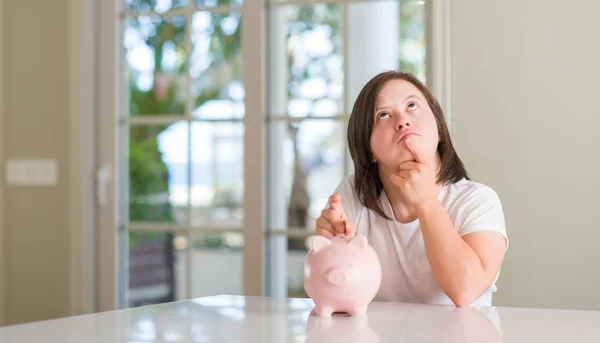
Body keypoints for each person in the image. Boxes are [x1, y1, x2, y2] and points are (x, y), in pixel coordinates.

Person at [315, 71, 509, 308]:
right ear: (369, 150)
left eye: (412, 105)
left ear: (439, 129)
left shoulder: (479, 201)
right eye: (383, 115)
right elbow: (326, 299)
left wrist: (426, 202)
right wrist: (329, 250)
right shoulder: (352, 195)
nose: (402, 121)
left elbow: (465, 290)